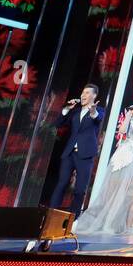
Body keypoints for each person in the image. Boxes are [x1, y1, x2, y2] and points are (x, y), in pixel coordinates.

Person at [73, 95, 133, 236]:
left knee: (131, 192)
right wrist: (129, 115)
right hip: (125, 152)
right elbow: (122, 131)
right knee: (114, 187)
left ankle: (123, 223)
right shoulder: (132, 116)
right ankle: (105, 221)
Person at [48, 84, 104, 217]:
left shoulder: (99, 110)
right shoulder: (75, 111)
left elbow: (98, 118)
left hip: (85, 154)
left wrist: (93, 111)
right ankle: (50, 215)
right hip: (69, 153)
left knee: (79, 189)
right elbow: (58, 123)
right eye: (83, 93)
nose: (83, 95)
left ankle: (73, 218)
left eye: (87, 93)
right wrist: (67, 108)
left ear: (94, 96)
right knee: (61, 183)